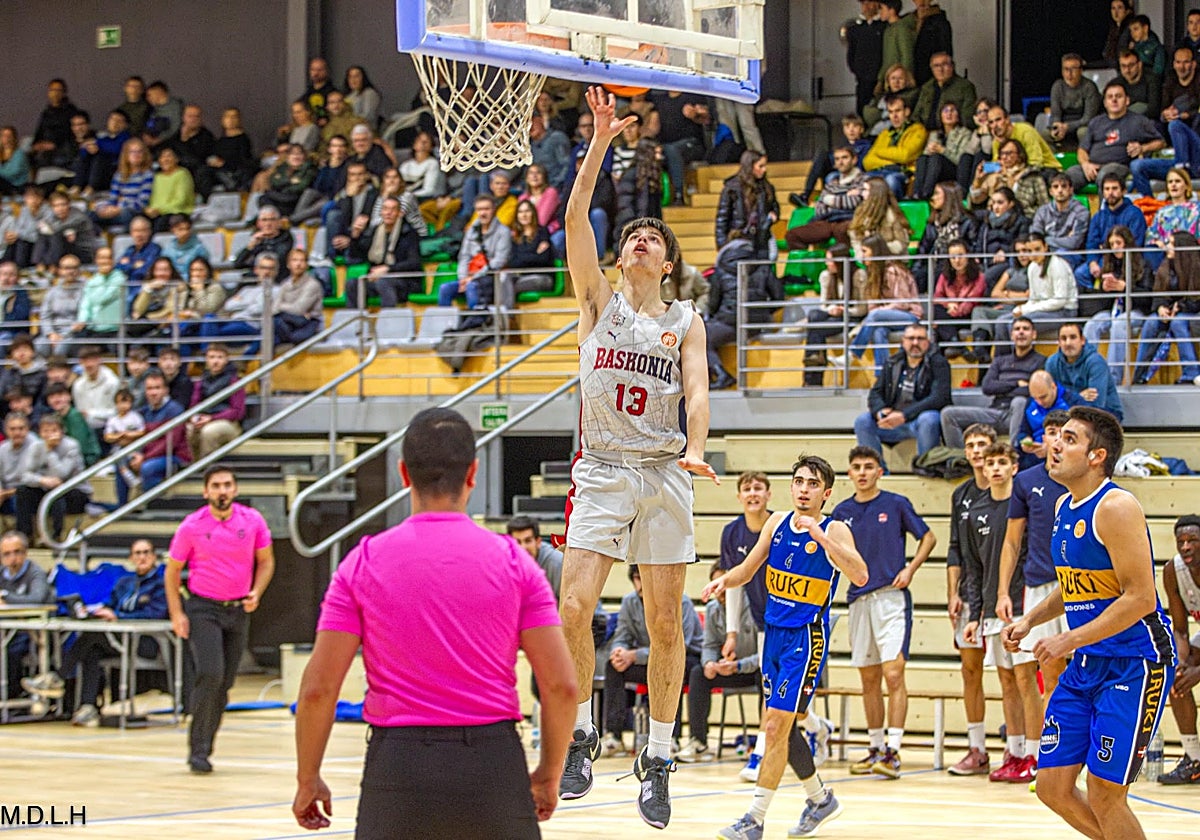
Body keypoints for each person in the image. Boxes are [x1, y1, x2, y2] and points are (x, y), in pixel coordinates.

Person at [292, 408, 574, 837]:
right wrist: (549, 774)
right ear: (472, 473)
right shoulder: (517, 564)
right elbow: (561, 686)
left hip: (398, 769)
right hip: (492, 766)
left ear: (404, 473)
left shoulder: (362, 563)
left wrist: (307, 778)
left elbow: (318, 689)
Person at [556, 87, 714, 830]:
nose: (642, 241)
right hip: (602, 467)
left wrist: (698, 451)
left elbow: (697, 393)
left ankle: (657, 756)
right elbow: (573, 217)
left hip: (663, 471)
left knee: (664, 626)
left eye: (654, 237)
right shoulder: (597, 301)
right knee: (573, 607)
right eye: (634, 237)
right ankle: (581, 735)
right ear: (620, 257)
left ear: (668, 261)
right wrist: (598, 142)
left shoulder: (685, 320)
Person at [1001, 406, 1175, 840]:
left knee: (1105, 793)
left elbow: (1140, 597)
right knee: (1051, 786)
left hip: (1134, 662)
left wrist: (1067, 640)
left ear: (1097, 456)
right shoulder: (1064, 504)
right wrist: (1031, 619)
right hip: (1087, 663)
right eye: (1056, 436)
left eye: (1070, 439)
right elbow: (1075, 586)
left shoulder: (1116, 507)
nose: (1055, 445)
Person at [708, 454, 869, 840]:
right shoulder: (776, 522)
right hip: (773, 636)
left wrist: (822, 539)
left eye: (813, 484)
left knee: (775, 724)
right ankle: (820, 799)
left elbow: (861, 574)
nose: (804, 489)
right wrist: (724, 581)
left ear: (825, 493)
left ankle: (754, 818)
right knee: (784, 724)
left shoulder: (834, 529)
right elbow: (748, 569)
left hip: (805, 638)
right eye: (799, 481)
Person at [834, 445, 935, 779]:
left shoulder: (896, 504)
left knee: (893, 674)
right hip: (858, 600)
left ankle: (894, 750)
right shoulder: (841, 512)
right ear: (849, 473)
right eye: (857, 467)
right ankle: (875, 748)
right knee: (868, 678)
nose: (862, 472)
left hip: (891, 598)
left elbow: (928, 538)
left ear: (880, 471)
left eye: (869, 466)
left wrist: (910, 569)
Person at [167, 465, 275, 774]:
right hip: (203, 607)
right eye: (216, 486)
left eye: (227, 485)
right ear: (206, 492)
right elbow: (172, 572)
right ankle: (198, 749)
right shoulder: (192, 526)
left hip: (237, 609)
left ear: (235, 490)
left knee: (225, 682)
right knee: (210, 673)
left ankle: (207, 742)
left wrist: (257, 592)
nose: (222, 491)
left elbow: (266, 561)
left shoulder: (252, 521)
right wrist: (177, 613)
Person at [995, 409, 1071, 787]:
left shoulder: (1081, 479)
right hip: (1039, 587)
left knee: (1084, 671)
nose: (1055, 439)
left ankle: (1081, 753)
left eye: (1063, 433)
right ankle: (1049, 756)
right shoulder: (1026, 481)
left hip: (1079, 586)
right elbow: (1012, 542)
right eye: (1050, 432)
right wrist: (1002, 591)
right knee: (1046, 673)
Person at [960, 442, 1040, 785]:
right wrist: (974, 615)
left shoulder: (1023, 506)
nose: (994, 468)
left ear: (1014, 467)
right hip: (993, 607)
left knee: (1026, 680)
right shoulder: (975, 511)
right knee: (1006, 682)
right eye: (990, 463)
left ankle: (1035, 755)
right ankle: (1015, 752)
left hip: (1023, 603)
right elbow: (973, 568)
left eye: (1001, 462)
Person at [22, 539, 164, 727]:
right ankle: (87, 707)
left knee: (93, 637)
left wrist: (118, 616)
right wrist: (95, 611)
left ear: (154, 556)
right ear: (131, 558)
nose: (142, 557)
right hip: (119, 639)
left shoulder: (160, 583)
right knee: (92, 650)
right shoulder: (125, 582)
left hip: (147, 641)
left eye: (146, 552)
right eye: (138, 553)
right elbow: (109, 604)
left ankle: (57, 677)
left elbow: (156, 614)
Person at [711, 471, 782, 781]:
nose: (753, 493)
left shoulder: (779, 527)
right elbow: (734, 585)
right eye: (747, 488)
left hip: (790, 620)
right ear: (739, 496)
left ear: (768, 494)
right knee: (772, 690)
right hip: (762, 620)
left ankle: (761, 753)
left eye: (758, 488)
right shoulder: (732, 533)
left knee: (782, 694)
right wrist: (732, 633)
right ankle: (816, 729)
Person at [601, 564, 702, 755]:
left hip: (686, 658)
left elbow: (681, 645)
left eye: (645, 577)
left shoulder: (682, 602)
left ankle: (671, 737)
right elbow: (621, 635)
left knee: (672, 669)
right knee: (613, 667)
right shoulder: (629, 602)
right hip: (647, 661)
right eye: (637, 578)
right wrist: (618, 652)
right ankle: (613, 736)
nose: (642, 583)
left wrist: (634, 655)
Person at [944, 423, 998, 775]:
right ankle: (977, 749)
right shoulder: (960, 495)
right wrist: (953, 592)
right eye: (971, 445)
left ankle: (1023, 749)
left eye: (982, 444)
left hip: (1002, 593)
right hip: (969, 593)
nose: (976, 450)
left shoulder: (1008, 491)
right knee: (970, 670)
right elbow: (954, 548)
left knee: (1014, 676)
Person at [677, 562, 762, 764]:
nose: (720, 590)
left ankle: (763, 742)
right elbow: (709, 645)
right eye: (716, 585)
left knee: (767, 676)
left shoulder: (755, 607)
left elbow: (764, 653)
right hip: (727, 670)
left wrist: (739, 665)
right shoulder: (712, 609)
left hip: (753, 669)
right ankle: (698, 741)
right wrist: (709, 663)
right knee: (698, 673)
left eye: (724, 583)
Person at [852, 321, 950, 469]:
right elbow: (875, 393)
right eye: (911, 338)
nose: (915, 343)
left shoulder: (938, 363)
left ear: (928, 342)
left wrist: (904, 415)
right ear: (903, 342)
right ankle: (877, 471)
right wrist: (880, 411)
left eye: (920, 339)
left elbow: (939, 398)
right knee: (863, 421)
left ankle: (926, 469)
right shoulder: (892, 362)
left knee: (929, 418)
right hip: (892, 422)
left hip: (919, 423)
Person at [941, 315, 1044, 447]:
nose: (1021, 332)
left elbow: (1032, 391)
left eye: (1026, 329)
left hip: (1019, 415)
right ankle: (960, 457)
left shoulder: (1041, 361)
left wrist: (1002, 388)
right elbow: (987, 387)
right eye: (1017, 329)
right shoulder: (1000, 361)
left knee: (1019, 401)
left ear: (1034, 335)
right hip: (995, 412)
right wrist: (1015, 383)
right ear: (1011, 335)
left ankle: (1015, 452)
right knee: (948, 414)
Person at [831, 236, 924, 375]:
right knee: (878, 331)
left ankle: (852, 354)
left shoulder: (894, 271)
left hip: (910, 316)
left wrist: (881, 311)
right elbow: (872, 307)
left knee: (876, 316)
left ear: (875, 251)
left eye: (865, 251)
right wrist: (879, 312)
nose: (862, 255)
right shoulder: (871, 274)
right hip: (884, 318)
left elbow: (904, 302)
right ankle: (884, 375)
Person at [1079, 224, 1152, 383]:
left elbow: (1147, 299)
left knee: (1119, 324)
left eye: (1118, 243)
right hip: (1113, 310)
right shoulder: (1108, 265)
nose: (1115, 247)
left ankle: (1113, 378)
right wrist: (1105, 290)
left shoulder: (1143, 264)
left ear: (1127, 242)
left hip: (1136, 311)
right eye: (1112, 244)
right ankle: (1089, 373)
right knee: (1092, 324)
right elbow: (1103, 304)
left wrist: (1126, 288)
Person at [1158, 515, 1200, 784]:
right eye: (1181, 541)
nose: (1185, 546)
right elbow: (1181, 630)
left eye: (1192, 540)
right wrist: (1182, 664)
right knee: (1177, 679)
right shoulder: (1173, 571)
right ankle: (1194, 759)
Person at [1066, 80, 1163, 192]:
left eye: (1118, 96)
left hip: (1118, 167)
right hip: (1092, 167)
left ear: (1127, 100)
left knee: (1106, 177)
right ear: (1105, 103)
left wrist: (1142, 148)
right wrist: (1085, 164)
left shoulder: (1139, 121)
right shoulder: (1096, 122)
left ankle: (1104, 205)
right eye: (1110, 97)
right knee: (1066, 178)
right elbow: (1082, 150)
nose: (1114, 100)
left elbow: (1161, 142)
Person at [1134, 231, 1200, 385]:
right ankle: (1139, 374)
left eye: (1171, 244)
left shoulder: (1196, 268)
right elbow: (1158, 294)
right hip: (1172, 311)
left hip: (1192, 311)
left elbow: (1197, 300)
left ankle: (1191, 373)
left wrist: (1181, 306)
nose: (1167, 247)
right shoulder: (1165, 266)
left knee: (1178, 322)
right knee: (1151, 322)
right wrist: (1161, 307)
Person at [994, 230, 1077, 345]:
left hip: (1064, 311)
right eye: (1029, 251)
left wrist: (1027, 310)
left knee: (1015, 325)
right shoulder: (1032, 267)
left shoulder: (1057, 265)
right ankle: (1004, 356)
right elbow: (1033, 299)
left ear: (1045, 247)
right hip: (1042, 310)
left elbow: (1060, 301)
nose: (1033, 254)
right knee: (1001, 322)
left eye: (1037, 249)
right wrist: (1022, 308)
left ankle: (1019, 356)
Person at [16, 414, 90, 541]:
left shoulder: (71, 445)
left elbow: (62, 473)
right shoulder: (35, 447)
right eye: (46, 431)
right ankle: (25, 536)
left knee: (56, 494)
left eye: (54, 430)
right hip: (45, 487)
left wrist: (50, 451)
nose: (50, 435)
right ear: (40, 433)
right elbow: (24, 475)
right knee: (23, 491)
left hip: (72, 490)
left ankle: (55, 536)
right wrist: (42, 480)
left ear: (62, 431)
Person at [1074, 173, 1147, 289]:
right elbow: (1091, 243)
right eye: (1107, 189)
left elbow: (1136, 243)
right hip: (1101, 258)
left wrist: (1108, 250)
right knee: (1080, 273)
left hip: (1125, 259)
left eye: (1114, 188)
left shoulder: (1135, 213)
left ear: (1123, 191)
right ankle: (1096, 298)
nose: (1110, 193)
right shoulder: (1098, 216)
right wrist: (1092, 262)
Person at [439, 194, 512, 309]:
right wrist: (463, 278)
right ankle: (444, 319)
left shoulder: (504, 232)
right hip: (469, 277)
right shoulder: (471, 231)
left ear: (494, 210)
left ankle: (476, 318)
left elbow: (499, 261)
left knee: (472, 287)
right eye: (479, 209)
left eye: (486, 209)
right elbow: (464, 257)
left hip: (490, 277)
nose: (483, 213)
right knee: (445, 288)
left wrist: (473, 278)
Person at [0, 531, 54, 684]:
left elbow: (36, 599)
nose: (12, 558)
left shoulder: (35, 573)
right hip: (6, 628)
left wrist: (5, 596)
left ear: (25, 552)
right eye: (6, 554)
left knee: (11, 649)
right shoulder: (1, 573)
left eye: (17, 552)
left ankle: (12, 691)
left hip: (30, 631)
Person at [1045, 322, 1125, 420]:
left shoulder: (1096, 362)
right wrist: (1079, 396)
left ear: (1082, 340)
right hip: (1070, 411)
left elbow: (1096, 404)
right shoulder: (1052, 363)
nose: (1068, 343)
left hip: (1107, 412)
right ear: (1059, 342)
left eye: (1073, 337)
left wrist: (1066, 395)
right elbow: (1050, 399)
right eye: (1063, 338)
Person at [715, 151, 779, 256]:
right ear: (750, 166)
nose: (764, 170)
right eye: (760, 166)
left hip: (762, 237)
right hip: (739, 238)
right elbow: (722, 218)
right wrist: (722, 245)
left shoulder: (767, 187)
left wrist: (774, 215)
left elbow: (774, 207)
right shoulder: (732, 188)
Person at [862, 94, 928, 196]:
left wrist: (878, 152)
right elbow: (867, 162)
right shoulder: (885, 133)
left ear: (907, 111)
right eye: (891, 112)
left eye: (898, 111)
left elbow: (905, 156)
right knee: (859, 181)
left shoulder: (918, 130)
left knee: (891, 180)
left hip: (904, 174)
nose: (894, 116)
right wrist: (892, 163)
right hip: (881, 172)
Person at [931, 238, 985, 349]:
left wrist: (955, 310)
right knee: (937, 310)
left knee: (940, 324)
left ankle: (955, 344)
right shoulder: (944, 276)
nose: (957, 260)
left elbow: (973, 301)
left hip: (968, 316)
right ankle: (955, 342)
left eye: (960, 255)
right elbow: (937, 297)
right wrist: (949, 304)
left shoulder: (979, 276)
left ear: (967, 256)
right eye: (953, 257)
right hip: (950, 314)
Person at [1041, 53, 1102, 150]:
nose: (1069, 73)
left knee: (1083, 132)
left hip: (1082, 124)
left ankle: (1084, 156)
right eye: (1066, 69)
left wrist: (1067, 127)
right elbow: (1055, 114)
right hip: (1063, 125)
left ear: (1081, 71)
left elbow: (1088, 118)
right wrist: (1056, 126)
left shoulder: (1089, 87)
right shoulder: (1057, 86)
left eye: (1073, 69)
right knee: (1045, 134)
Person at [1030, 172, 1090, 269]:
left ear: (1071, 190)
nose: (1060, 190)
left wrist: (1046, 239)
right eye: (1056, 187)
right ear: (1050, 191)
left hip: (1071, 254)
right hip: (1045, 252)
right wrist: (1064, 238)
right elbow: (1035, 237)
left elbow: (1074, 242)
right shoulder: (1042, 211)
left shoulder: (1081, 212)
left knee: (1059, 256)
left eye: (1064, 186)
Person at [912, 54, 976, 132]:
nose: (940, 69)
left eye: (944, 64)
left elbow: (968, 117)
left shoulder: (965, 86)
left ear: (952, 66)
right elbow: (916, 115)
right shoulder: (927, 87)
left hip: (953, 133)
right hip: (925, 133)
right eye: (936, 66)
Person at [847, 0, 887, 115]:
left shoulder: (885, 26)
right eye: (864, 3)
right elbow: (851, 53)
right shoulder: (855, 29)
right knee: (862, 110)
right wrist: (857, 70)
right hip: (862, 79)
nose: (866, 6)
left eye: (870, 2)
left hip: (881, 78)